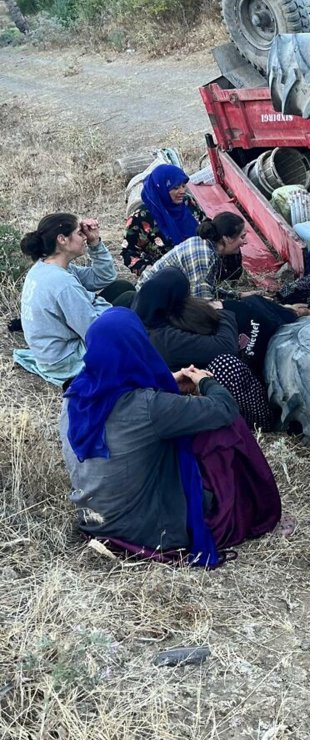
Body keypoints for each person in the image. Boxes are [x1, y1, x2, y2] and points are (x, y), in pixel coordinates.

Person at [60, 309, 279, 563]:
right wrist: (205, 382)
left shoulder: (74, 396)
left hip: (93, 520)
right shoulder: (148, 407)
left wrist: (169, 382)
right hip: (142, 531)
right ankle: (255, 502)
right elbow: (224, 409)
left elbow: (124, 404)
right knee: (220, 430)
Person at [134, 270, 273, 429]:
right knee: (225, 365)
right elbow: (226, 346)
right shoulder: (164, 339)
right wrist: (223, 311)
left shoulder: (147, 318)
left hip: (193, 401)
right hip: (207, 407)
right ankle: (261, 422)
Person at [15, 213, 134, 385]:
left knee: (122, 287)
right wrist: (109, 310)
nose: (85, 237)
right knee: (130, 302)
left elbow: (104, 276)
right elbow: (92, 331)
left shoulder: (46, 266)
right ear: (62, 239)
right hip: (65, 359)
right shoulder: (62, 283)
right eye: (79, 233)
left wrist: (95, 243)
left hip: (53, 350)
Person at [135, 211, 247, 299]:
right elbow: (203, 300)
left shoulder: (205, 246)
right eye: (242, 237)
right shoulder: (203, 256)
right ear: (226, 238)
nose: (245, 242)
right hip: (147, 299)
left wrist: (239, 296)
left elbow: (208, 288)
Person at [122, 163, 204, 278]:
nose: (182, 191)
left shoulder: (187, 203)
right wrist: (150, 271)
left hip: (199, 268)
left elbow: (203, 226)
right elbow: (128, 253)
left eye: (183, 186)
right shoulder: (142, 217)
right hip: (167, 277)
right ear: (161, 188)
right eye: (175, 188)